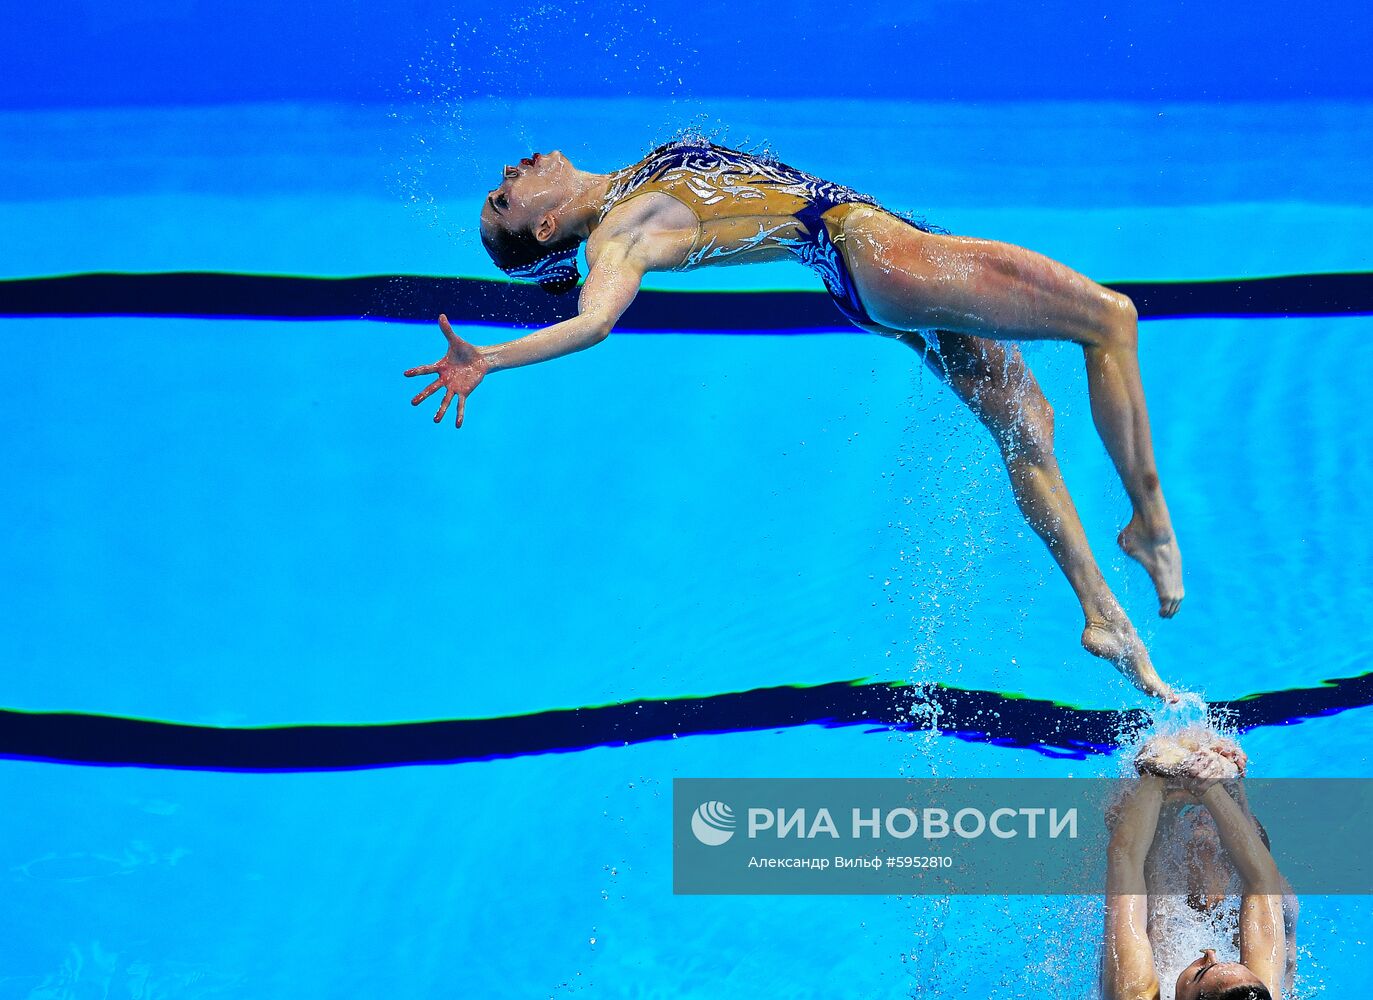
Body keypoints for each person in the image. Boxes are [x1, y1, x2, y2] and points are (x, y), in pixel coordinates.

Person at [404, 138, 1184, 699]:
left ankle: (1100, 613)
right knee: (1109, 320)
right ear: (545, 232)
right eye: (504, 199)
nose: (508, 173)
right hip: (877, 256)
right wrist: (488, 361)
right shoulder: (617, 237)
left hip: (861, 270)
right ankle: (1148, 524)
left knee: (1025, 421)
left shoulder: (625, 186)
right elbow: (593, 321)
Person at [1104, 734, 1293, 999]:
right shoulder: (1257, 992)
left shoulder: (1135, 995)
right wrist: (1209, 785)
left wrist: (1155, 773)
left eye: (1203, 972)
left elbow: (1124, 858)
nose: (1210, 954)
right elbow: (1262, 881)